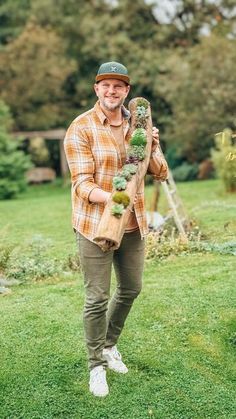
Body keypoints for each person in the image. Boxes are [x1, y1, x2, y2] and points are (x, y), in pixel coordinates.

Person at [64, 61, 168, 397]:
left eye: (119, 86)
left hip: (133, 224)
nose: (112, 91)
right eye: (106, 85)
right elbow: (81, 184)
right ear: (96, 88)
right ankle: (96, 365)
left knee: (131, 288)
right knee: (96, 298)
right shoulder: (80, 128)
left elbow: (160, 172)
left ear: (126, 90)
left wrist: (152, 144)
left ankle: (109, 346)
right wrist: (114, 198)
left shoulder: (140, 124)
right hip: (95, 224)